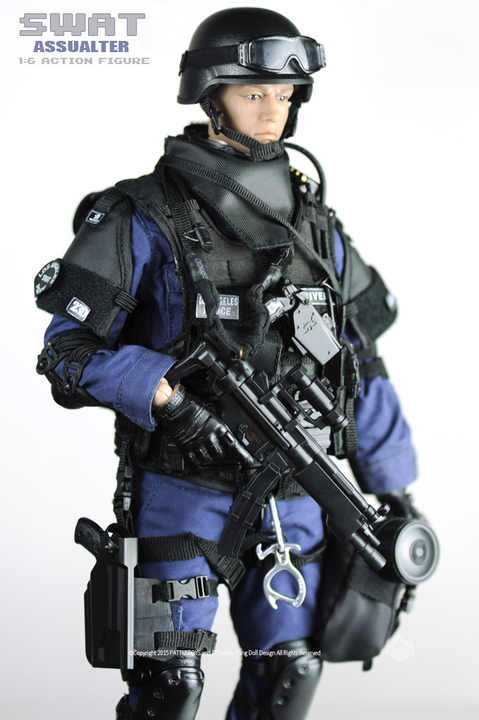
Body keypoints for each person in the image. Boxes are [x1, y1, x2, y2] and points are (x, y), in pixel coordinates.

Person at [34, 8, 423, 720]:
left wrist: (391, 488)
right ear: (211, 95)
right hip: (182, 495)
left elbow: (360, 360)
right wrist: (166, 399)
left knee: (288, 673)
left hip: (299, 498)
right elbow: (67, 351)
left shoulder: (313, 223)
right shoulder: (141, 213)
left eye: (286, 94)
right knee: (168, 685)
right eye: (254, 93)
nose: (274, 110)